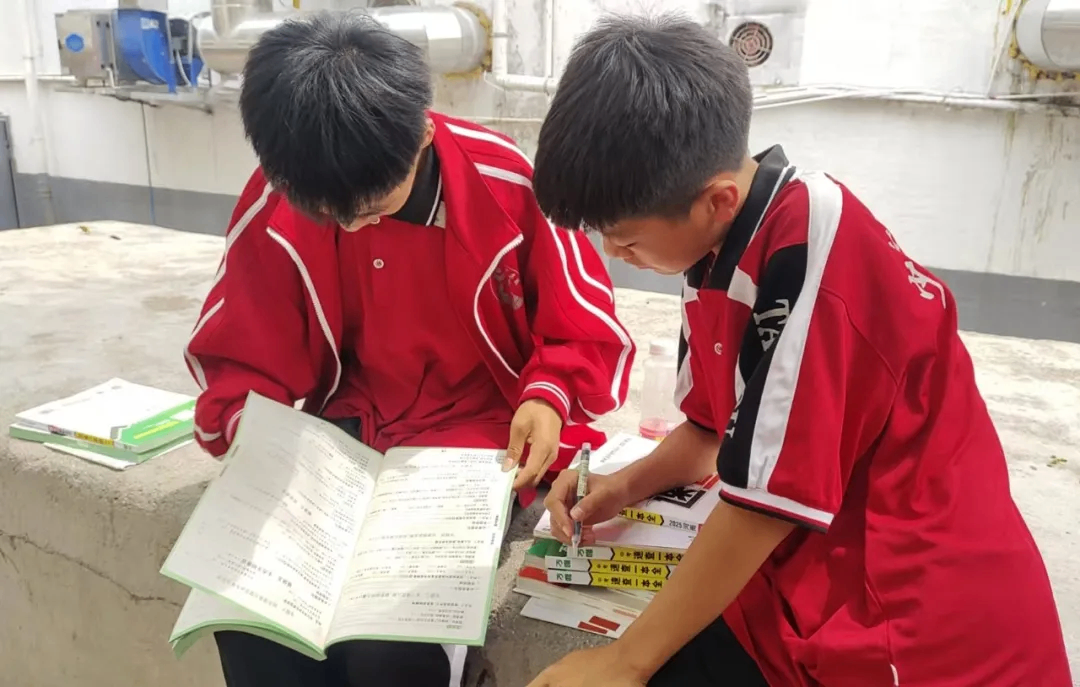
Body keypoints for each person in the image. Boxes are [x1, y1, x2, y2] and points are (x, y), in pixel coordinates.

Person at [528, 13, 1071, 687]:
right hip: (802, 565)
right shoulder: (712, 244)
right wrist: (625, 484)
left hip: (904, 610)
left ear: (717, 200)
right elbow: (711, 431)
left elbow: (765, 502)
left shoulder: (813, 249)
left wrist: (622, 661)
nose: (615, 254)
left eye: (626, 239)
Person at [182, 10, 634, 687]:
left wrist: (548, 394)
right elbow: (242, 353)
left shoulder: (507, 183)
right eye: (327, 213)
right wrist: (256, 432)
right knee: (251, 618)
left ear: (423, 133)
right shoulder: (283, 194)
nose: (350, 227)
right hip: (344, 439)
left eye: (371, 207)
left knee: (393, 642)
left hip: (480, 442)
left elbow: (581, 327)